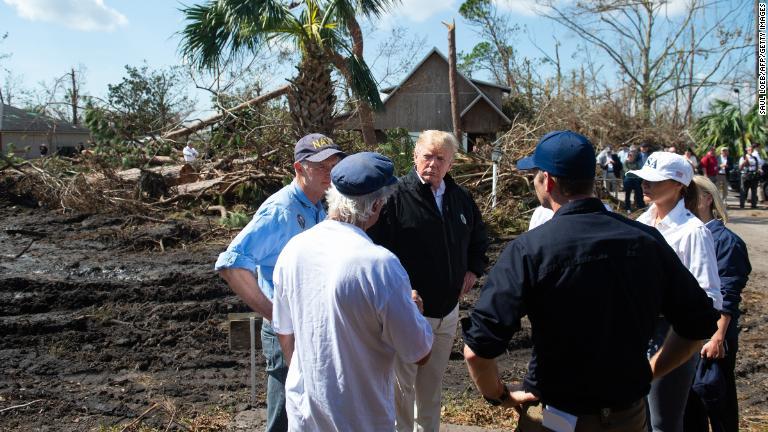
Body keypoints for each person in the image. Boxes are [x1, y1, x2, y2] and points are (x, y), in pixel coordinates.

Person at [462, 130, 719, 432]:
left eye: (534, 175)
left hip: (556, 416)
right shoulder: (646, 240)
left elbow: (477, 350)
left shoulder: (530, 249)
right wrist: (649, 372)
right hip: (627, 415)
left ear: (548, 180)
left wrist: (499, 395)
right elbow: (697, 324)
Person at [272, 152, 433, 432]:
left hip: (304, 416)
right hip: (362, 418)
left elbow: (284, 331)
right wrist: (415, 312)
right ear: (376, 206)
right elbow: (418, 352)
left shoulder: (294, 249)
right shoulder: (379, 265)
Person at [214, 133, 345, 432]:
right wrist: (275, 315)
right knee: (285, 414)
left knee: (309, 412)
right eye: (320, 166)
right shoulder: (281, 211)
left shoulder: (320, 206)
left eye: (333, 165)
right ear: (299, 169)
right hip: (287, 331)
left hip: (312, 325)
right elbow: (232, 264)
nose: (330, 172)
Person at [368, 130, 489, 432]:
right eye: (427, 156)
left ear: (450, 164)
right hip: (406, 312)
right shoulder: (395, 198)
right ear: (414, 157)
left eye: (440, 158)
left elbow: (479, 238)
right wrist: (399, 289)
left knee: (431, 391)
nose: (432, 164)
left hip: (447, 313)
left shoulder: (460, 198)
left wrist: (473, 268)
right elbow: (373, 250)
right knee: (400, 392)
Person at [627, 151, 723, 432]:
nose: (645, 184)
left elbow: (709, 295)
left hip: (672, 333)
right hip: (640, 328)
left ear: (679, 184)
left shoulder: (692, 231)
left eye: (654, 180)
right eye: (644, 178)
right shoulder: (640, 223)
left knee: (663, 421)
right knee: (636, 416)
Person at [682, 176, 751, 432]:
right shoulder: (690, 234)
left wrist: (717, 335)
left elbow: (728, 293)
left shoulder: (725, 241)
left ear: (707, 198)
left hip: (715, 335)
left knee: (718, 402)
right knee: (692, 404)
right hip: (693, 334)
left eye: (690, 195)